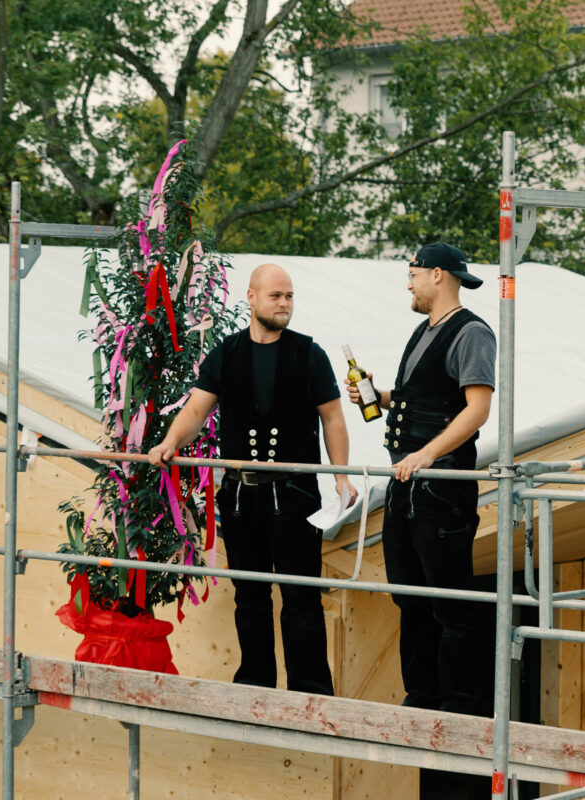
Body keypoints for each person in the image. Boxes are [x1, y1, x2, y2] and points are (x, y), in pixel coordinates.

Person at [150, 262, 355, 696]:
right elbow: (195, 411)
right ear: (252, 297)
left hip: (296, 496)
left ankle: (311, 689)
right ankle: (255, 684)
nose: (284, 304)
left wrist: (339, 476)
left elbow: (333, 418)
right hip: (242, 499)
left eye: (290, 296)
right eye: (276, 296)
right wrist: (170, 443)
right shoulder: (226, 352)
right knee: (250, 596)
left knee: (301, 598)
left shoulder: (309, 353)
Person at [345, 242, 495, 714]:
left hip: (443, 487)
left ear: (436, 275)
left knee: (449, 602)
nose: (407, 283)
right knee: (410, 596)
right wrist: (378, 395)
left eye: (411, 273)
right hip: (406, 486)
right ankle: (422, 696)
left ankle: (458, 704)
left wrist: (427, 454)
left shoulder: (471, 333)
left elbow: (478, 409)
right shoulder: (422, 330)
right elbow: (419, 399)